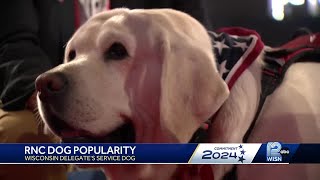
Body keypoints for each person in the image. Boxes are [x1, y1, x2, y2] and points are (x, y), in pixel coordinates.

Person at [0, 0, 211, 179]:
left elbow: (197, 44)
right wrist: (40, 96)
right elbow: (15, 44)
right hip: (37, 97)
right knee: (20, 140)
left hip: (153, 100)